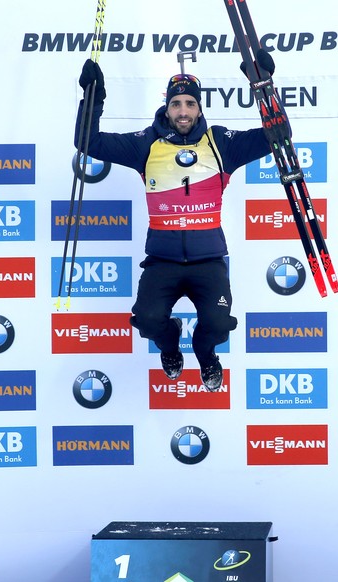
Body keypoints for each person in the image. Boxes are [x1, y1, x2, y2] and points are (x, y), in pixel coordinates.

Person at [75, 58, 273, 391]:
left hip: (208, 262)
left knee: (218, 322)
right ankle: (170, 345)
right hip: (163, 261)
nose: (183, 111)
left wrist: (265, 89)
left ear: (199, 108)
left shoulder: (221, 142)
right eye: (176, 103)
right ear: (167, 108)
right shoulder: (145, 143)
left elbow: (276, 135)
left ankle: (205, 353)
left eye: (190, 104)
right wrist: (93, 100)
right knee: (148, 319)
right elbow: (88, 143)